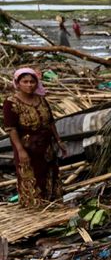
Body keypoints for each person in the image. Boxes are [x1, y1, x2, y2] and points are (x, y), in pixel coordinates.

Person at [3, 68, 65, 207]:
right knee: (31, 178)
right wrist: (20, 150)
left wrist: (59, 141)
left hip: (47, 148)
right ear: (17, 84)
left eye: (32, 82)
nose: (29, 85)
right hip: (27, 148)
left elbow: (50, 122)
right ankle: (34, 208)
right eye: (25, 82)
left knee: (50, 176)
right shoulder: (11, 103)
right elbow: (11, 129)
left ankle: (52, 206)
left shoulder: (41, 100)